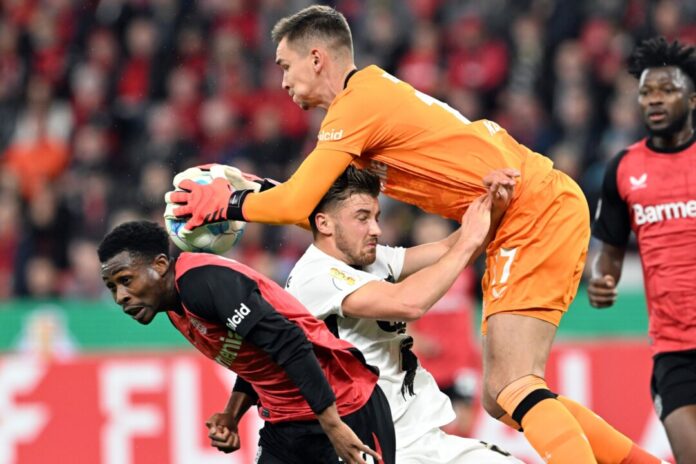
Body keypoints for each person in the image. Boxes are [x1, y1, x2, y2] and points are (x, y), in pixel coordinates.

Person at [167, 5, 664, 463]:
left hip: (529, 210)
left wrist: (232, 203)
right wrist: (255, 193)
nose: (282, 81)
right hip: (520, 211)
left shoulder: (355, 109)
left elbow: (299, 203)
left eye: (284, 65)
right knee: (502, 396)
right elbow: (319, 212)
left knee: (514, 384)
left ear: (316, 58)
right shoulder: (365, 108)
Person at [97, 220, 395, 464]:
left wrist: (332, 425)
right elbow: (255, 353)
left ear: (161, 264)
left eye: (126, 280)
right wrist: (231, 414)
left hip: (343, 405)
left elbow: (289, 341)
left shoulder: (203, 284)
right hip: (285, 422)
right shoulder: (174, 307)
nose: (120, 296)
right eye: (112, 287)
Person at [284, 166, 521, 463]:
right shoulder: (316, 277)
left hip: (417, 436)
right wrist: (468, 243)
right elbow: (410, 303)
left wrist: (492, 205)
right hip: (376, 445)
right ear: (325, 224)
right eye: (362, 218)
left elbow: (451, 247)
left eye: (376, 217)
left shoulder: (367, 258)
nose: (376, 229)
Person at [588, 37, 696, 464]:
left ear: (691, 97)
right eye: (646, 92)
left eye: (665, 90)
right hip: (672, 349)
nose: (653, 100)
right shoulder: (624, 169)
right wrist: (603, 278)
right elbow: (610, 249)